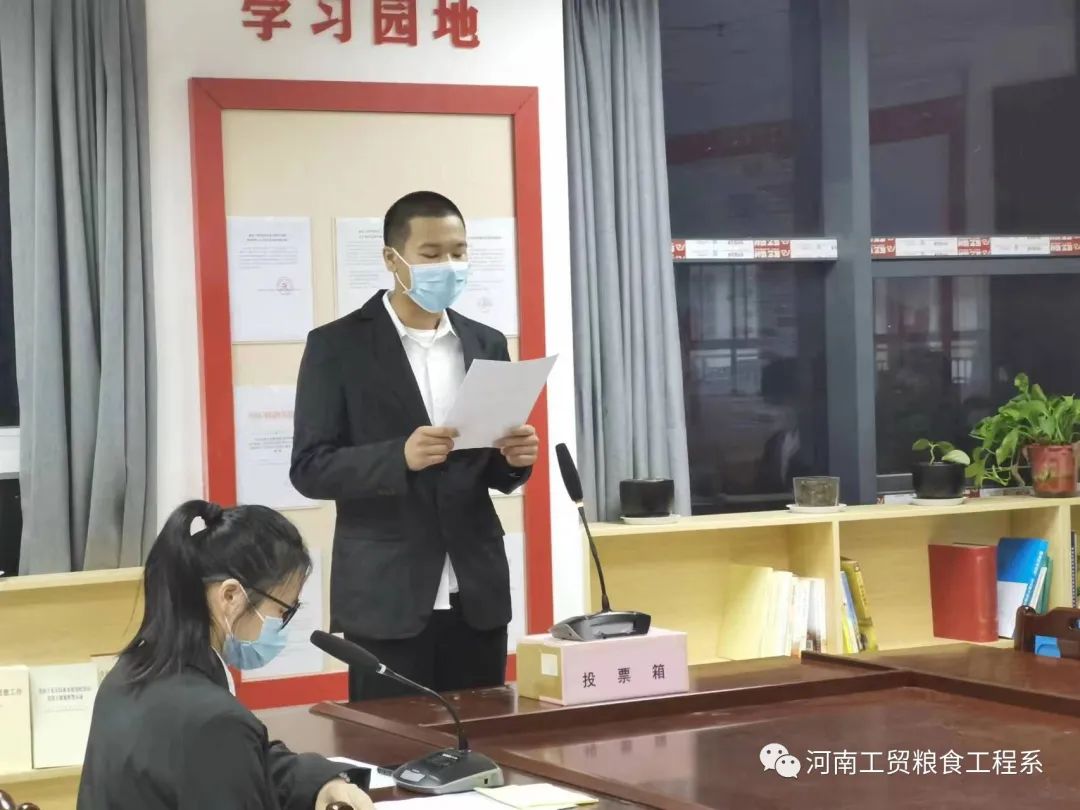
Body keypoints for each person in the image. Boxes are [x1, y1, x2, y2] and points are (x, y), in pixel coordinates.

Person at [290, 191, 539, 701]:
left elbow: (490, 468)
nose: (448, 265)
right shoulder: (336, 346)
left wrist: (514, 461)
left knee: (483, 731)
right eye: (431, 254)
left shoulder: (486, 342)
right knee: (389, 738)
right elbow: (310, 467)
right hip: (386, 594)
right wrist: (397, 457)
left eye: (458, 252)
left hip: (476, 590)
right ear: (392, 259)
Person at [77, 500, 373, 810]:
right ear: (230, 596)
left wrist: (323, 781)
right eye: (283, 611)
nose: (283, 624)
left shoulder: (129, 673)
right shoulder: (213, 719)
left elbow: (240, 758)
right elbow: (224, 748)